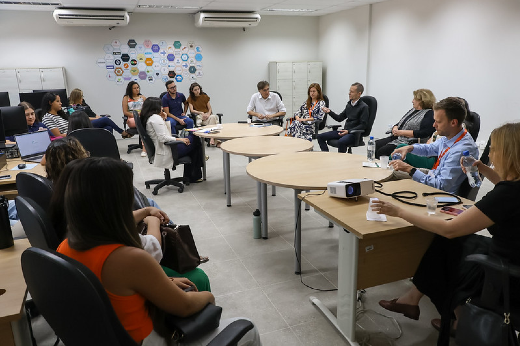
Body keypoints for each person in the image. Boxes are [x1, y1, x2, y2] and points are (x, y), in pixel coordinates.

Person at [55, 157, 260, 346]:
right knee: (248, 327)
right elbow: (186, 306)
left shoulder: (64, 247)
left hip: (107, 336)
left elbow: (112, 293)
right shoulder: (128, 259)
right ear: (117, 204)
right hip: (146, 340)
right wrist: (208, 296)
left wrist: (163, 283)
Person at [372, 122, 520, 345]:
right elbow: (506, 189)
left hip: (505, 271)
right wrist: (482, 168)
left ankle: (457, 318)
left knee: (445, 253)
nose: (492, 154)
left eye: (496, 149)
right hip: (513, 254)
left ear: (509, 153)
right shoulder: (513, 188)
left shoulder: (506, 196)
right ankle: (414, 300)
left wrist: (399, 211)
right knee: (447, 245)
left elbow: (450, 229)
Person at [45, 138, 210, 291]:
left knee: (149, 206)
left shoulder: (73, 211)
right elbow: (152, 251)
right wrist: (152, 221)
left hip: (106, 281)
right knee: (199, 278)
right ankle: (184, 248)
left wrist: (145, 211)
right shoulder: (118, 248)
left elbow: (112, 222)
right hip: (134, 280)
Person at [388, 97, 478, 194]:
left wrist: (409, 169)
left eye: (438, 122)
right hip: (433, 176)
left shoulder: (461, 149)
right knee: (390, 173)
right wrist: (410, 148)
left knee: (392, 184)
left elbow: (440, 186)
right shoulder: (453, 135)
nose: (434, 125)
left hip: (440, 195)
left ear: (453, 122)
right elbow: (430, 148)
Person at [141, 97, 203, 184]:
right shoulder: (155, 119)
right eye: (160, 106)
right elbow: (163, 138)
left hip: (163, 147)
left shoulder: (152, 118)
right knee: (195, 139)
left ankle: (192, 175)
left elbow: (164, 133)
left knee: (193, 144)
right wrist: (180, 139)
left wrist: (163, 119)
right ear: (155, 107)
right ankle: (194, 174)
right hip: (168, 149)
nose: (162, 108)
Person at [375, 89, 436, 158]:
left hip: (409, 141)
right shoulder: (413, 110)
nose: (412, 101)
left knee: (382, 151)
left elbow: (424, 133)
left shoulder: (429, 114)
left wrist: (401, 132)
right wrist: (395, 127)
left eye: (414, 99)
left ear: (421, 101)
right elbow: (401, 122)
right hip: (398, 137)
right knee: (375, 145)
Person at [316, 82, 369, 153]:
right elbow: (339, 118)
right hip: (345, 131)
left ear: (359, 94)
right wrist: (329, 112)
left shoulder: (364, 107)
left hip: (354, 134)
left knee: (341, 142)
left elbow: (363, 125)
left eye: (352, 92)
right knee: (320, 136)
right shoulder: (349, 104)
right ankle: (326, 155)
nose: (349, 93)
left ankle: (342, 161)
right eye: (349, 91)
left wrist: (349, 131)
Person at [122, 81, 147, 156]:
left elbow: (147, 108)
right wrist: (135, 115)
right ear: (130, 89)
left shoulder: (142, 97)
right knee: (143, 124)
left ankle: (144, 147)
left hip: (142, 118)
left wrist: (142, 114)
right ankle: (145, 148)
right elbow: (125, 112)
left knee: (145, 124)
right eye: (134, 88)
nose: (137, 89)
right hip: (131, 119)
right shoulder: (126, 98)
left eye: (138, 88)